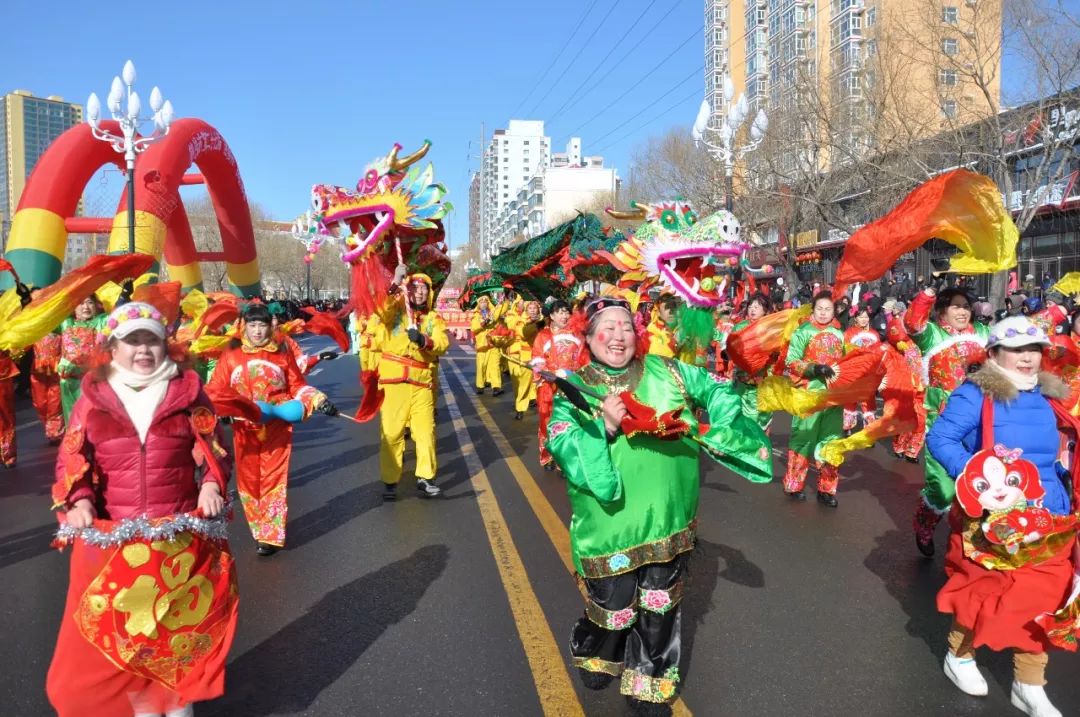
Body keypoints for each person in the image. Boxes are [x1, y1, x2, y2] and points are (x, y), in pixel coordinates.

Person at [547, 297, 772, 710]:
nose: (618, 336)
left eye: (626, 327)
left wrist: (719, 427)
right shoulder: (575, 388)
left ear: (639, 334)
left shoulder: (668, 371)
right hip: (611, 522)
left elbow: (719, 391)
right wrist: (605, 428)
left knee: (659, 601)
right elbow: (561, 442)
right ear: (588, 335)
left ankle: (651, 680)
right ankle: (596, 648)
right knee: (614, 605)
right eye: (608, 327)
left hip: (668, 515)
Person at [47, 301, 236, 717]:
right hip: (119, 536)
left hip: (179, 533)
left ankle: (176, 702)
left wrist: (209, 484)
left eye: (151, 340)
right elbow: (73, 456)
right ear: (113, 348)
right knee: (127, 629)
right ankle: (141, 705)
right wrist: (78, 499)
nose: (143, 350)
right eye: (133, 341)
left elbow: (214, 447)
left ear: (165, 346)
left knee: (174, 628)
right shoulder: (92, 398)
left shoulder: (187, 391)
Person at [927, 315, 1078, 717]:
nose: (1027, 358)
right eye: (1016, 349)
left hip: (1048, 513)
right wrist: (979, 479)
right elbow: (940, 438)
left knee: (1045, 596)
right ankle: (959, 656)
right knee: (984, 588)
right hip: (993, 515)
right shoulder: (976, 394)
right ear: (994, 353)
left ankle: (1029, 685)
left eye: (1034, 350)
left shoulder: (1051, 398)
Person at [208, 302, 336, 555]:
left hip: (277, 427)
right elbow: (216, 388)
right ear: (244, 326)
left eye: (262, 325)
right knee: (249, 481)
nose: (257, 331)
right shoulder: (230, 354)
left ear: (270, 327)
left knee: (272, 478)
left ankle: (269, 535)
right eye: (252, 325)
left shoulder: (282, 352)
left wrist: (318, 400)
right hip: (244, 430)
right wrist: (223, 411)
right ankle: (258, 528)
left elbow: (296, 386)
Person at [906, 285, 990, 556]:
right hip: (942, 423)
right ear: (942, 310)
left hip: (979, 420)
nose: (962, 311)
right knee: (942, 488)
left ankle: (969, 548)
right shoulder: (932, 334)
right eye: (956, 306)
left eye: (966, 306)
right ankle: (925, 525)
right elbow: (912, 321)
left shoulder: (983, 333)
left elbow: (1019, 340)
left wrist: (1060, 313)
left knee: (980, 484)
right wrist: (929, 291)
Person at [373, 265, 449, 500]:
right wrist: (395, 280)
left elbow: (442, 343)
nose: (420, 292)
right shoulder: (396, 310)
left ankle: (426, 477)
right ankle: (390, 480)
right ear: (408, 290)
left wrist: (424, 340)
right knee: (392, 432)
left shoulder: (434, 319)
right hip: (394, 381)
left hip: (422, 383)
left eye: (424, 289)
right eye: (415, 288)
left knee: (426, 432)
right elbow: (380, 311)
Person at [783, 292, 847, 506]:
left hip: (833, 396)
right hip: (808, 393)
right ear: (813, 309)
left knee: (831, 440)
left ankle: (827, 489)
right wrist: (814, 368)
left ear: (834, 311)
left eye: (828, 309)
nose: (823, 313)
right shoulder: (803, 331)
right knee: (803, 438)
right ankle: (794, 484)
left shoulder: (839, 333)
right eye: (819, 308)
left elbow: (848, 363)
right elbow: (791, 361)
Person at [531, 299, 585, 469]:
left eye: (567, 311)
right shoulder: (543, 336)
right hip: (549, 385)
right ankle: (548, 455)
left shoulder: (577, 334)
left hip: (571, 384)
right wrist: (550, 374)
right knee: (547, 419)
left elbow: (584, 358)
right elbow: (537, 360)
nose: (564, 315)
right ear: (552, 315)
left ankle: (564, 459)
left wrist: (576, 375)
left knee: (569, 420)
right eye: (560, 312)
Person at [729, 293, 774, 432]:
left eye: (757, 307)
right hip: (741, 381)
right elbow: (732, 350)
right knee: (739, 416)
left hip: (761, 383)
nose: (752, 309)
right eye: (751, 306)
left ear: (765, 311)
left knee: (761, 419)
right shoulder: (739, 327)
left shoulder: (769, 329)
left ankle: (759, 448)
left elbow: (775, 354)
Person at [58, 295, 107, 421]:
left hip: (92, 382)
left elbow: (118, 318)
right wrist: (26, 301)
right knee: (73, 421)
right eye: (81, 303)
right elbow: (42, 322)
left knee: (91, 420)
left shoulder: (102, 321)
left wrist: (123, 297)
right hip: (68, 382)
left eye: (90, 302)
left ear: (96, 305)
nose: (86, 307)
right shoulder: (65, 323)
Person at [843, 304, 881, 431]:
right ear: (855, 318)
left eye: (866, 317)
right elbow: (845, 353)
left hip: (870, 372)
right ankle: (847, 425)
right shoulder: (848, 334)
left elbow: (879, 353)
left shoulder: (874, 334)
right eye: (861, 317)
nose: (864, 319)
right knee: (850, 398)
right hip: (853, 371)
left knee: (868, 399)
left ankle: (870, 428)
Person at [506, 299, 541, 420]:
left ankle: (536, 401)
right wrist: (535, 325)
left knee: (539, 383)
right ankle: (520, 407)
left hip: (540, 356)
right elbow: (523, 333)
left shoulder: (543, 320)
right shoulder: (521, 321)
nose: (532, 310)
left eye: (534, 308)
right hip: (526, 356)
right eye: (530, 308)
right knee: (524, 383)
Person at [31, 326, 65, 444]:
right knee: (40, 403)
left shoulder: (63, 326)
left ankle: (55, 432)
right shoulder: (33, 329)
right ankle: (49, 426)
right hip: (38, 371)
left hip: (57, 370)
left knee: (55, 402)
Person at [471, 295, 503, 395]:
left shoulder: (492, 313)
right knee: (481, 366)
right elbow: (474, 328)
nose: (484, 303)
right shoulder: (475, 315)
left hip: (493, 343)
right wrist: (483, 323)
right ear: (478, 304)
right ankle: (480, 386)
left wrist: (493, 320)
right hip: (482, 344)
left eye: (485, 301)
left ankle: (496, 387)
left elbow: (497, 321)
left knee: (494, 366)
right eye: (481, 302)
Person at [645, 293, 678, 358]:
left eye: (673, 307)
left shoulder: (683, 330)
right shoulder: (652, 331)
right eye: (667, 307)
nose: (671, 311)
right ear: (658, 312)